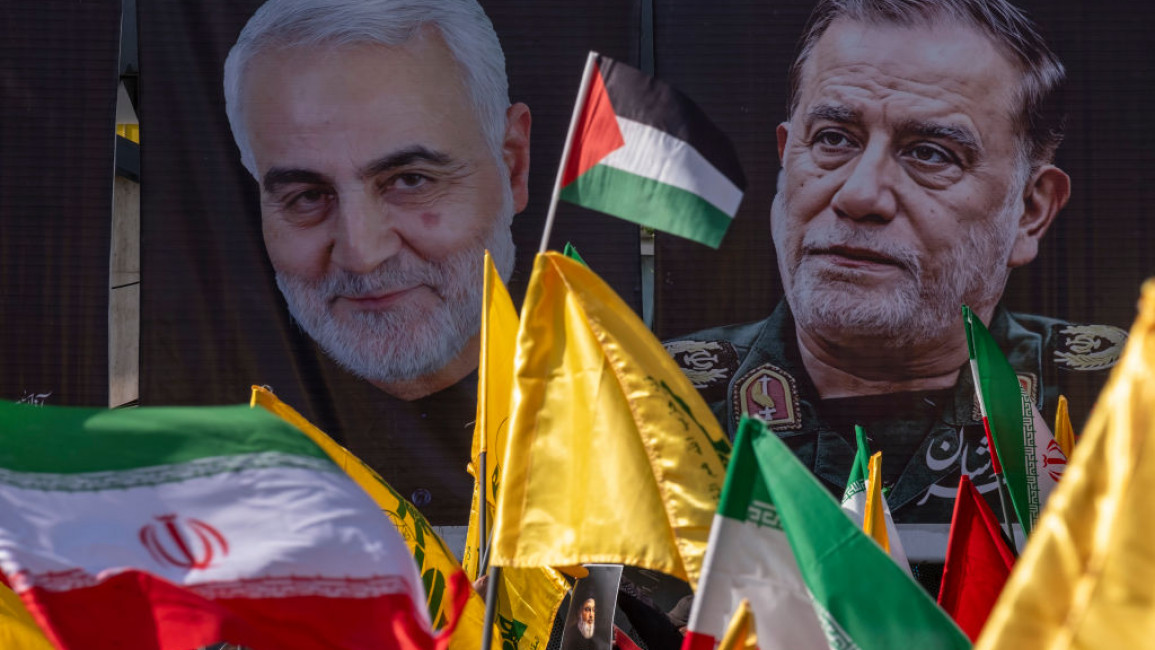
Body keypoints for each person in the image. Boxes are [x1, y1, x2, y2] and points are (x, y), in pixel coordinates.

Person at [665, 0, 1127, 571]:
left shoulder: (1128, 413)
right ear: (787, 161)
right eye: (833, 139)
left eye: (930, 154)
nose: (859, 194)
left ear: (1030, 211)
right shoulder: (636, 407)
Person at [221, 0, 531, 528]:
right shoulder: (197, 459)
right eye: (305, 195)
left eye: (410, 179)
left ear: (512, 165)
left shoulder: (652, 426)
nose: (362, 254)